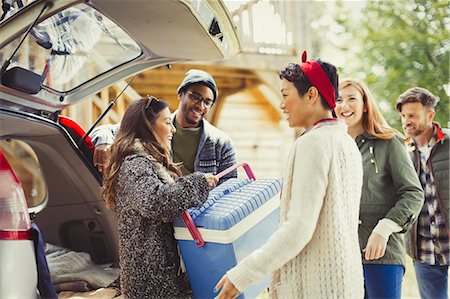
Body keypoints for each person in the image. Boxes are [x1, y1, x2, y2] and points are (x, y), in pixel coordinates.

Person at [215, 52, 364, 299]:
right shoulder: (346, 142)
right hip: (345, 282)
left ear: (312, 94)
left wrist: (243, 274)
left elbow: (299, 228)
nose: (282, 104)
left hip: (316, 287)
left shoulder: (313, 143)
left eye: (285, 95)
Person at [102, 97, 218, 298]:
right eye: (166, 122)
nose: (173, 129)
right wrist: (198, 182)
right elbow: (156, 202)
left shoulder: (149, 163)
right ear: (147, 126)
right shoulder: (134, 164)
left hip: (161, 275)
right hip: (150, 282)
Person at [335, 79, 424, 299]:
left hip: (382, 255)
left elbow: (413, 194)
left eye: (351, 99)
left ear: (365, 104)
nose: (344, 106)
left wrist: (384, 228)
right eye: (338, 100)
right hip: (342, 255)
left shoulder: (389, 141)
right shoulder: (332, 145)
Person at [91, 69, 237, 184]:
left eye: (207, 102)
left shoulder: (221, 143)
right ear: (181, 94)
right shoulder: (156, 126)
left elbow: (230, 188)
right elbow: (105, 130)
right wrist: (103, 142)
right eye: (195, 97)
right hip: (163, 210)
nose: (200, 105)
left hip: (203, 218)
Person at [396, 87, 449, 299]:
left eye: (412, 115)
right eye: (403, 116)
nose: (406, 121)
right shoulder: (402, 153)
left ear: (430, 115)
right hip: (424, 246)